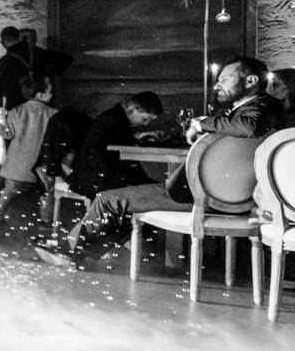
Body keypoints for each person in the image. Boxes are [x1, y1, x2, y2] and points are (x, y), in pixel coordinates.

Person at [37, 59, 279, 268]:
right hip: (230, 197)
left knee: (107, 200)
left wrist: (202, 123)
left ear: (250, 82)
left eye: (225, 79)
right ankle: (81, 253)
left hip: (214, 198)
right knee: (124, 202)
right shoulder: (260, 109)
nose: (217, 84)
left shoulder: (262, 108)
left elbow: (249, 126)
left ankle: (72, 255)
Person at [0, 75, 57, 225]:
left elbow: (7, 133)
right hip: (42, 163)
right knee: (47, 192)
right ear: (40, 95)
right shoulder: (53, 114)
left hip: (18, 162)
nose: (52, 94)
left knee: (8, 191)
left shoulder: (16, 112)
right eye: (50, 91)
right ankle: (46, 221)